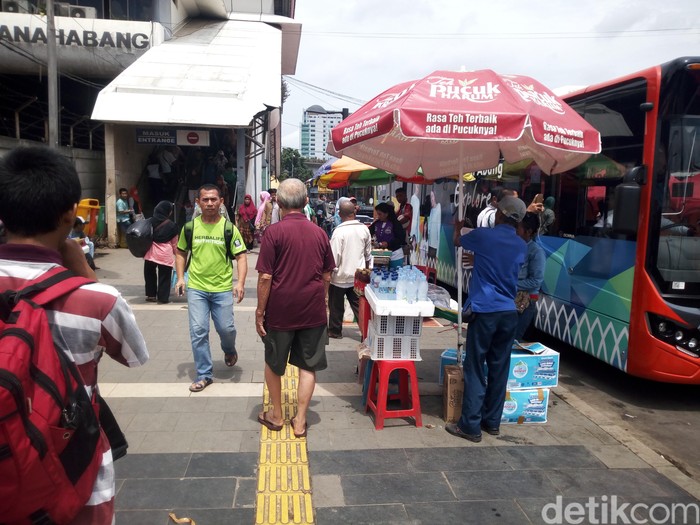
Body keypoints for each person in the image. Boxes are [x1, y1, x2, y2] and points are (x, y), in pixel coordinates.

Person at [0, 146, 149, 524]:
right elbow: (134, 355)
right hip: (75, 473)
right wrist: (84, 270)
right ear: (71, 212)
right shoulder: (94, 298)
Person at [255, 178, 335, 438]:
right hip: (312, 311)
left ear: (277, 202)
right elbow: (326, 275)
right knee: (307, 366)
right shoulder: (320, 233)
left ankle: (277, 415)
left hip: (280, 311)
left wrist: (259, 313)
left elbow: (265, 277)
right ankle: (300, 421)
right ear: (307, 201)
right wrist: (323, 301)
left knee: (274, 363)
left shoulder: (273, 233)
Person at [447, 196, 527, 443]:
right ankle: (492, 422)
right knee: (499, 368)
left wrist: (458, 227)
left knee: (475, 366)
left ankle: (470, 426)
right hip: (508, 312)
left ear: (499, 215)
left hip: (486, 311)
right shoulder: (521, 244)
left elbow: (458, 242)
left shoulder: (484, 236)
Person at [175, 184, 248, 393]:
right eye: (205, 200)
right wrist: (181, 278)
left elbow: (241, 256)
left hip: (222, 288)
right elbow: (181, 252)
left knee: (226, 329)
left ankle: (229, 349)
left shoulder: (228, 228)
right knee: (199, 331)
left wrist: (240, 282)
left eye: (213, 199)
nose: (209, 203)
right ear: (198, 202)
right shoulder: (189, 228)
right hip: (197, 287)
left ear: (221, 202)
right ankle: (204, 374)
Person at [328, 199, 372, 339]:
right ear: (355, 211)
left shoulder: (338, 232)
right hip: (358, 275)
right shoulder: (364, 229)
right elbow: (368, 254)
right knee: (359, 306)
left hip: (340, 276)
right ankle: (366, 332)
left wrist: (330, 273)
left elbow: (334, 257)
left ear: (340, 214)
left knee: (336, 307)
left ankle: (335, 331)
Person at [514, 212, 546, 341]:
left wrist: (512, 283)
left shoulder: (536, 252)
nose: (515, 231)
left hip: (525, 303)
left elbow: (536, 281)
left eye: (518, 228)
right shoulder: (515, 246)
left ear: (528, 232)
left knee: (514, 338)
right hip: (512, 299)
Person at [144, 201, 179, 304]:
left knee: (149, 274)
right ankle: (163, 298)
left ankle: (151, 295)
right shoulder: (172, 226)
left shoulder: (150, 221)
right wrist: (178, 255)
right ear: (168, 212)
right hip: (165, 255)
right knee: (165, 276)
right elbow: (175, 243)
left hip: (150, 253)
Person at [369, 201, 406, 268]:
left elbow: (400, 239)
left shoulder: (395, 223)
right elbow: (368, 232)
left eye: (380, 214)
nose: (378, 216)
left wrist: (388, 244)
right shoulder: (377, 223)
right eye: (377, 214)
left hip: (395, 255)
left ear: (386, 214)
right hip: (381, 256)